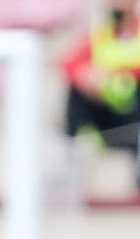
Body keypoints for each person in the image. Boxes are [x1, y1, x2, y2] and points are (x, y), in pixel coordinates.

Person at [61, 0, 140, 188]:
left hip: (134, 113)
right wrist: (86, 75)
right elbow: (68, 62)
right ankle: (68, 158)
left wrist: (115, 73)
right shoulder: (101, 31)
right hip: (106, 110)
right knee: (75, 92)